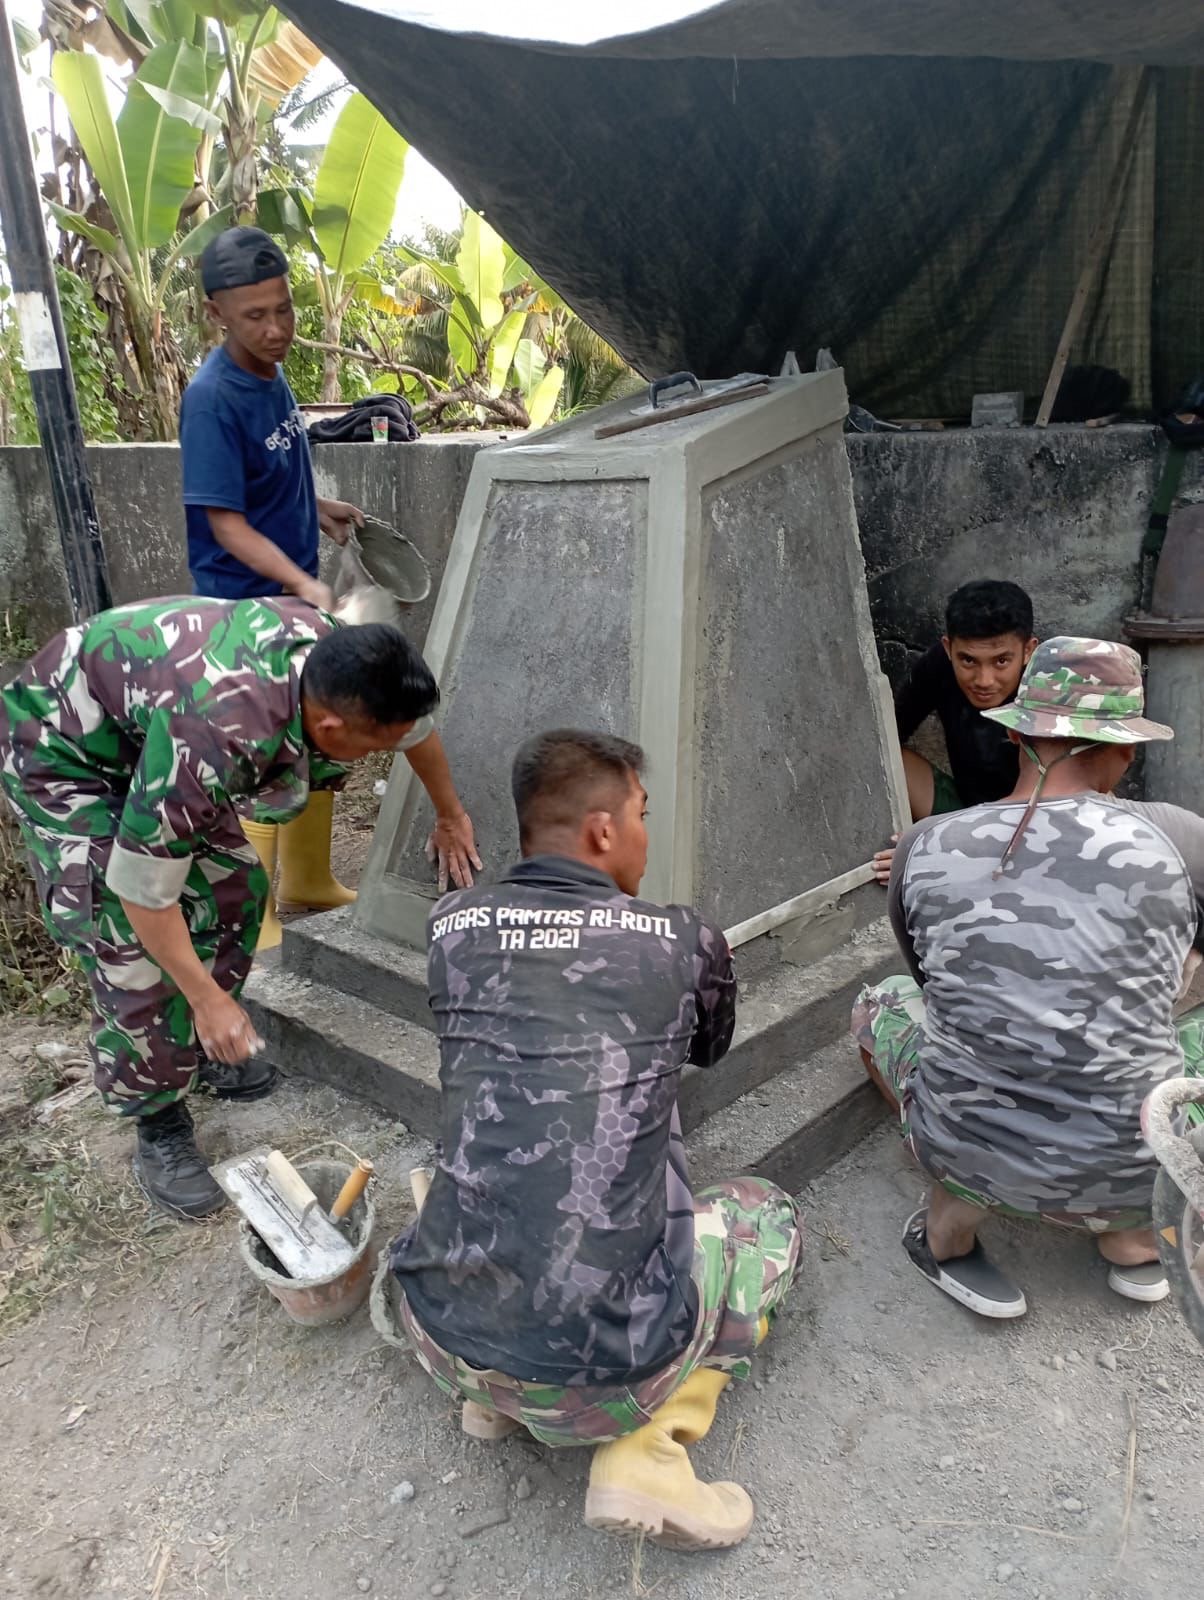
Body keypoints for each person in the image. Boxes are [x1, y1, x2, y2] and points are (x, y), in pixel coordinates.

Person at [386, 730, 802, 1551]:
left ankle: (489, 1403)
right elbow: (707, 1052)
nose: (647, 834)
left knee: (462, 1165)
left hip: (435, 1335)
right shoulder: (686, 940)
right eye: (643, 814)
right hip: (601, 1379)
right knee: (764, 1215)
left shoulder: (449, 923)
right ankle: (649, 1447)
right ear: (605, 831)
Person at [0, 597, 469, 1219]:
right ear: (330, 730)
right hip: (63, 750)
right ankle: (157, 1118)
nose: (380, 754)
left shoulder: (347, 661)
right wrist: (205, 996)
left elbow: (415, 730)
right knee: (128, 940)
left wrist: (450, 813)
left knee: (235, 888)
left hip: (151, 729)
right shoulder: (218, 733)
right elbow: (144, 890)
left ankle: (205, 1048)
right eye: (370, 749)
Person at [854, 638, 1204, 1318]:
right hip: (1136, 1162)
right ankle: (1132, 1241)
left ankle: (949, 1234)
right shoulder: (1182, 839)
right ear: (1126, 751)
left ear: (1017, 734)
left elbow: (930, 982)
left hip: (967, 1149)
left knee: (884, 1003)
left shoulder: (923, 846)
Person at [179, 225, 481, 941]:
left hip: (294, 592)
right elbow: (226, 524)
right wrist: (303, 587)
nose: (277, 327)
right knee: (265, 751)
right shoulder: (212, 399)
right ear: (216, 311)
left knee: (324, 740)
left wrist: (320, 508)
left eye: (282, 307)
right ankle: (254, 917)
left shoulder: (271, 373)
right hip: (244, 609)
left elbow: (274, 478)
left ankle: (308, 880)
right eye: (255, 315)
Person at [873, 579, 1038, 885]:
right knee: (883, 752)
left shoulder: (1048, 686)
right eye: (968, 660)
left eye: (1002, 661)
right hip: (964, 811)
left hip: (1035, 827)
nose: (984, 679)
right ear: (949, 648)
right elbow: (891, 731)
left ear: (1028, 650)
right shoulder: (937, 667)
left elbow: (1066, 800)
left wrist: (934, 848)